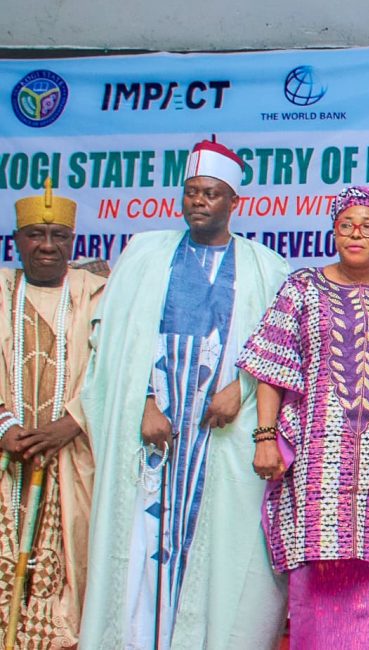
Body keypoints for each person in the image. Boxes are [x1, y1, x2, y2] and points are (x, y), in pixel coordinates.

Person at [78, 137, 290, 649]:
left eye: (211, 193)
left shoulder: (267, 266)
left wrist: (240, 389)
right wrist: (143, 403)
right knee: (142, 540)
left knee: (219, 548)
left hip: (223, 431)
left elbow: (282, 349)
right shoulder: (145, 252)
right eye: (191, 191)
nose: (198, 201)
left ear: (233, 201)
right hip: (155, 432)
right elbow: (114, 341)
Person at [238, 186, 369, 649]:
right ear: (334, 232)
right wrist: (265, 437)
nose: (355, 234)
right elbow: (272, 367)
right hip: (316, 463)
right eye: (346, 225)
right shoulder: (302, 288)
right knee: (318, 580)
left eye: (367, 226)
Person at [0, 179, 106, 648]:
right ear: (16, 241)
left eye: (58, 236)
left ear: (72, 241)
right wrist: (5, 425)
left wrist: (70, 424)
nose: (47, 246)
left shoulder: (98, 294)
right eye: (35, 235)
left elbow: (115, 370)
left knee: (70, 579)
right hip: (8, 458)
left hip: (74, 458)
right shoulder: (2, 289)